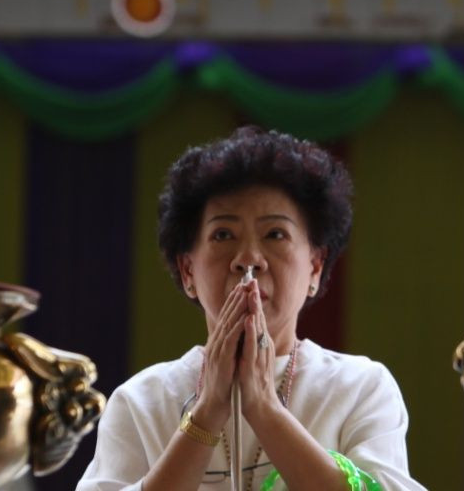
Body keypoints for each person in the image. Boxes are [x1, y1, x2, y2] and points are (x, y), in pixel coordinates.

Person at [77, 127, 426, 491]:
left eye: (275, 234)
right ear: (188, 270)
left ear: (315, 266)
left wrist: (264, 407)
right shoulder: (141, 402)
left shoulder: (359, 388)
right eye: (223, 235)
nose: (248, 259)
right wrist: (208, 412)